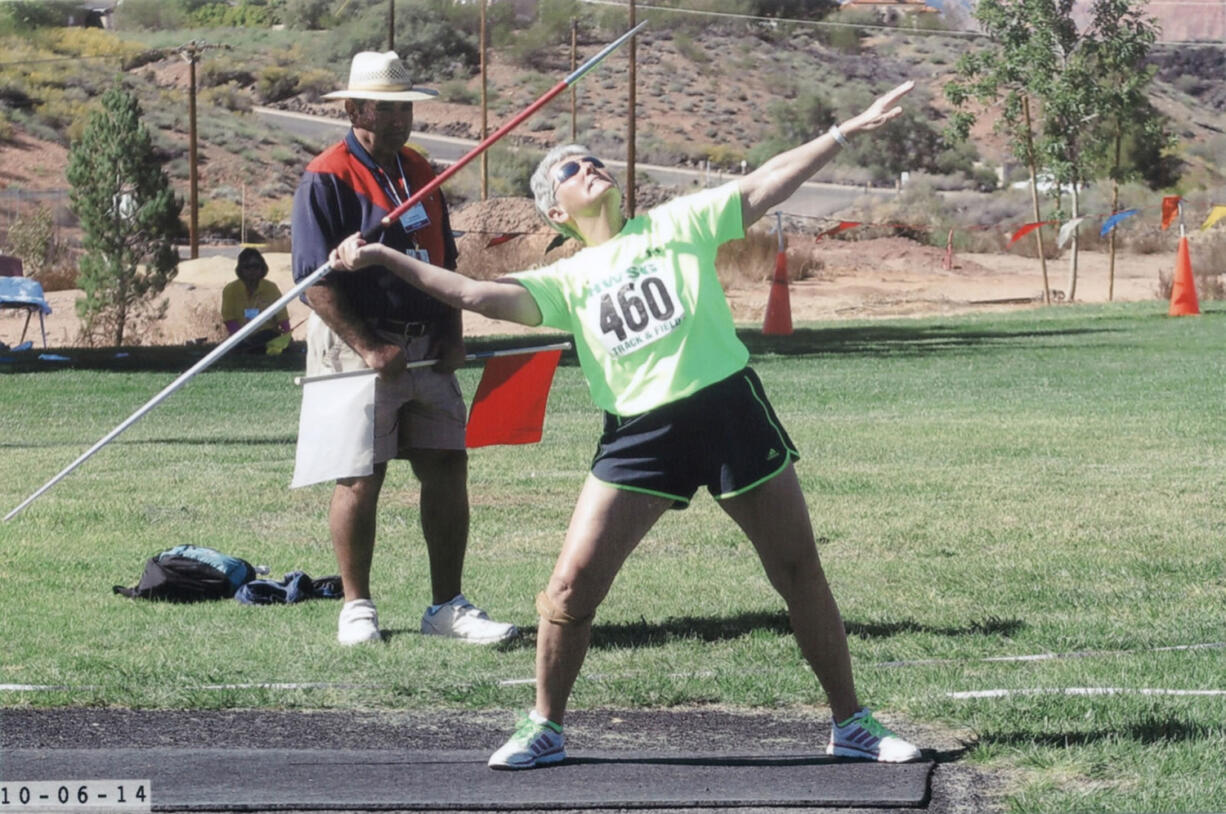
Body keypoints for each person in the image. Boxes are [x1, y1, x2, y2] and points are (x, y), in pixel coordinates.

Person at [329, 81, 921, 764]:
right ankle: (544, 727)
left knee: (797, 570)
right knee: (569, 587)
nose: (590, 167)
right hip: (639, 436)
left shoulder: (677, 223)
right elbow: (471, 293)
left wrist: (845, 130)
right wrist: (380, 256)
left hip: (728, 410)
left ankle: (851, 724)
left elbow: (763, 185)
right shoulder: (569, 280)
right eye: (570, 169)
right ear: (554, 211)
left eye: (593, 159)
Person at [291, 51, 517, 647]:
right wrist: (369, 347)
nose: (399, 119)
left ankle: (447, 605)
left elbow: (444, 262)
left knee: (447, 464)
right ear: (354, 108)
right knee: (360, 474)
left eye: (405, 107)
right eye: (386, 108)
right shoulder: (327, 175)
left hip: (427, 345)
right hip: (355, 347)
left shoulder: (421, 168)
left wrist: (453, 332)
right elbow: (315, 280)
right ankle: (356, 606)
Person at [220, 247, 293, 354]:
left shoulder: (271, 288)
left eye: (255, 266)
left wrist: (287, 336)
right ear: (240, 269)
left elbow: (282, 316)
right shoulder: (230, 290)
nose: (252, 271)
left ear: (262, 267)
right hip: (241, 337)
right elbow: (229, 318)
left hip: (268, 335)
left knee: (267, 337)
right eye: (247, 267)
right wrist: (240, 338)